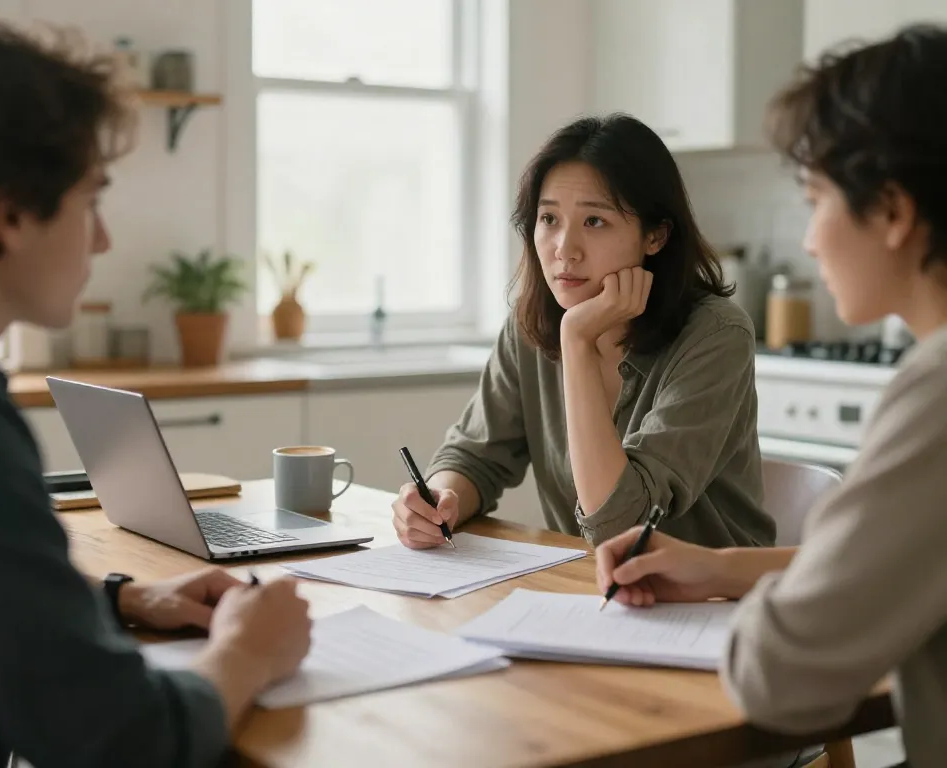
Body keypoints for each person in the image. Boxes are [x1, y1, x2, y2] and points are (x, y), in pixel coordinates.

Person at [0, 22, 312, 768]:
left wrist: (124, 600)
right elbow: (121, 737)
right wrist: (248, 655)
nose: (101, 241)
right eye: (89, 201)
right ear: (10, 216)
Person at [595, 24, 947, 768]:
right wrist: (721, 568)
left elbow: (778, 680)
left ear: (891, 211)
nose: (811, 240)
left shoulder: (938, 391)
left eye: (815, 198)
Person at [393, 114, 775, 551]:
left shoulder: (715, 335)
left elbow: (620, 525)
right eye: (549, 219)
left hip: (711, 605)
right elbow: (476, 456)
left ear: (655, 235)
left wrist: (575, 340)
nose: (564, 250)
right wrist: (440, 500)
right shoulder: (530, 325)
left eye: (594, 221)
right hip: (589, 591)